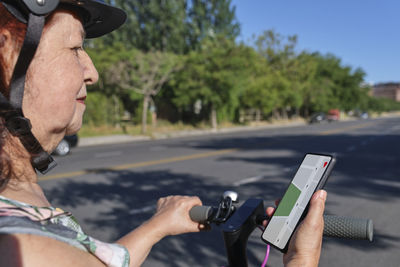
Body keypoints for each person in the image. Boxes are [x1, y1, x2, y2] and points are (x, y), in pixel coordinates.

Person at [0, 1, 327, 266]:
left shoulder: (16, 199)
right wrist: (301, 258)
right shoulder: (22, 250)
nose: (93, 72)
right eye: (75, 48)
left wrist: (158, 225)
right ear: (7, 58)